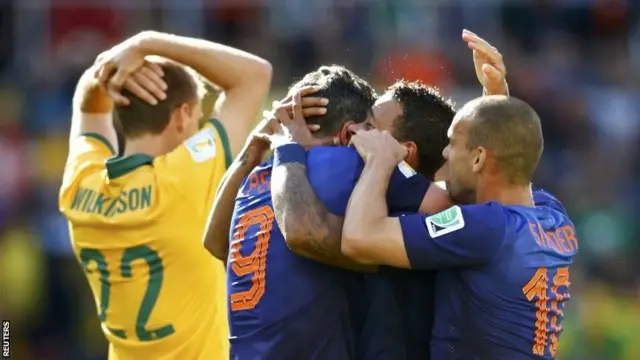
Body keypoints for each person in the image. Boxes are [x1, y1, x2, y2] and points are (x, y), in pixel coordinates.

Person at [268, 29, 511, 360]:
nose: (354, 133)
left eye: (370, 126)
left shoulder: (436, 208)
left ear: (405, 152)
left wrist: (289, 150)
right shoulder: (375, 193)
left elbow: (302, 231)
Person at [203, 64, 455, 359]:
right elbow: (448, 206)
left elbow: (214, 243)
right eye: (369, 126)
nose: (369, 136)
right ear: (349, 132)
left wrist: (257, 144)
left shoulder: (255, 179)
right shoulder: (356, 163)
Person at [58, 30, 272, 360]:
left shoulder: (80, 185)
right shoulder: (183, 179)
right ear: (182, 114)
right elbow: (255, 74)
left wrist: (114, 70)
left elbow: (88, 106)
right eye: (198, 116)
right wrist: (144, 43)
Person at [337, 95, 577, 359]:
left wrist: (379, 160)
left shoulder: (485, 228)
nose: (444, 153)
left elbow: (359, 239)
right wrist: (497, 94)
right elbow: (513, 154)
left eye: (452, 143)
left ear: (478, 159)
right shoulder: (553, 213)